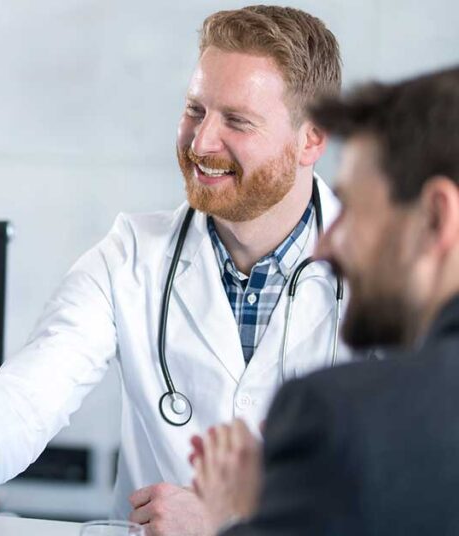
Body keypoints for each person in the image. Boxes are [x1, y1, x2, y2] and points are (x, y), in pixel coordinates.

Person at [0, 6, 348, 534]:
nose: (201, 142)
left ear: (312, 138)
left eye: (237, 121)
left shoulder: (389, 277)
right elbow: (31, 394)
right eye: (195, 110)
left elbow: (407, 483)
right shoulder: (131, 255)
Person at [192, 65, 459, 535]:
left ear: (436, 219)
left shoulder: (340, 420)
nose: (324, 246)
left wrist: (239, 515)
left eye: (351, 209)